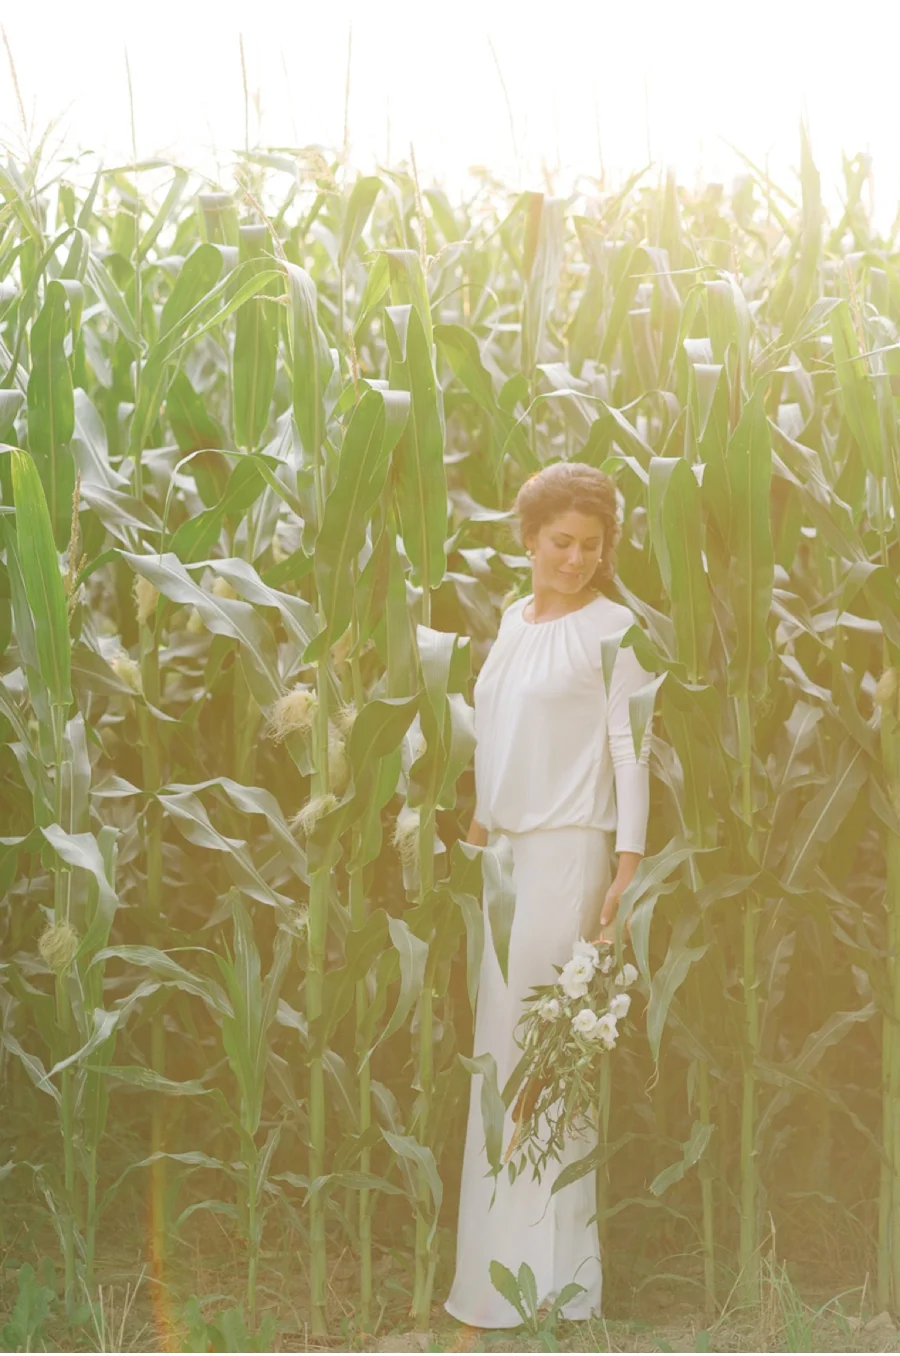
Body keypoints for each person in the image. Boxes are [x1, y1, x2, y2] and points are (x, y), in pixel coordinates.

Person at [443, 460, 654, 1330]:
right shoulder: (511, 621)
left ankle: (554, 1284)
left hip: (569, 854)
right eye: (561, 542)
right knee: (499, 1054)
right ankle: (495, 1282)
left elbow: (631, 747)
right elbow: (494, 739)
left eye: (591, 546)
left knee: (543, 1059)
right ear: (528, 539)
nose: (576, 559)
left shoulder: (615, 629)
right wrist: (479, 837)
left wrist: (628, 865)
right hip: (503, 859)